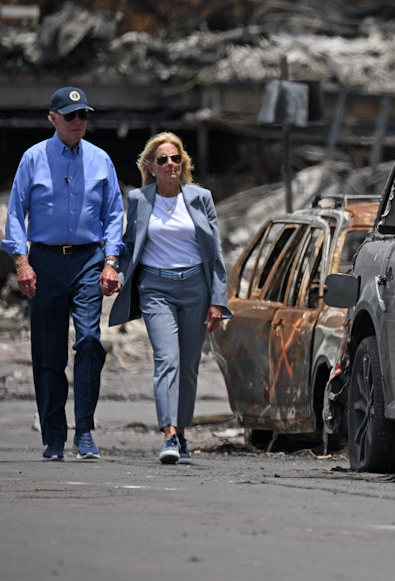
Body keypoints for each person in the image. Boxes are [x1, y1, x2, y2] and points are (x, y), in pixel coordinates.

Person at [2, 86, 125, 461]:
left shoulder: (102, 160)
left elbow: (114, 214)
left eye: (83, 116)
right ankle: (54, 435)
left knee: (89, 340)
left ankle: (84, 430)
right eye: (70, 116)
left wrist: (111, 261)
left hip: (88, 260)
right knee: (48, 352)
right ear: (53, 119)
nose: (78, 123)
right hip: (45, 261)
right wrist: (21, 263)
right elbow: (15, 214)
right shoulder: (33, 158)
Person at [109, 131, 230, 465]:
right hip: (155, 289)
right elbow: (129, 245)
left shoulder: (200, 198)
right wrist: (114, 272)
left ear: (183, 163)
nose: (170, 164)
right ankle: (169, 434)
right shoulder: (139, 200)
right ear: (150, 166)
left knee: (189, 366)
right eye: (162, 159)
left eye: (176, 158)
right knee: (167, 359)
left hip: (195, 287)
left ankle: (183, 433)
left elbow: (215, 252)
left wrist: (218, 300)